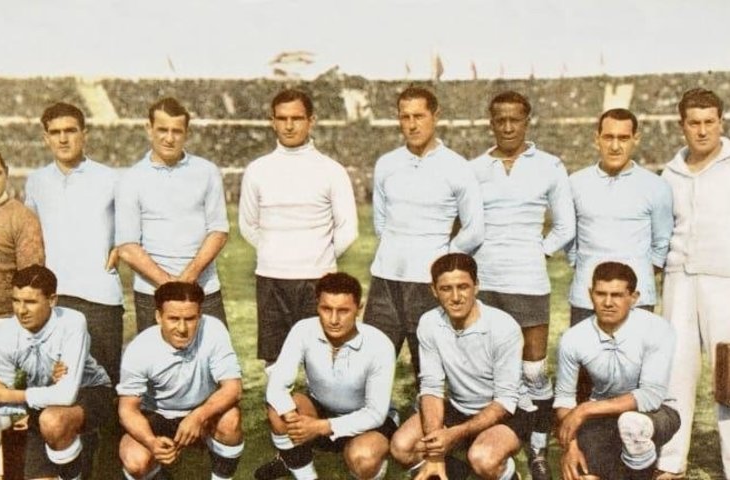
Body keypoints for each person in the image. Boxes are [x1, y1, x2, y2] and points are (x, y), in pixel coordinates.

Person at [469, 90, 575, 479]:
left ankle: (538, 446)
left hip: (528, 281)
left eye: (515, 119)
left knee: (533, 372)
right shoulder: (474, 168)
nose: (508, 127)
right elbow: (465, 223)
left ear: (527, 121)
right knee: (496, 372)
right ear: (491, 122)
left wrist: (537, 251)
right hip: (485, 283)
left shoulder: (549, 165)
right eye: (500, 120)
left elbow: (565, 226)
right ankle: (498, 439)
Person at [364, 86, 484, 378]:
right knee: (370, 363)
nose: (412, 124)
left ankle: (431, 409)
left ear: (435, 116)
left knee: (429, 370)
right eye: (405, 117)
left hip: (427, 284)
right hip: (385, 280)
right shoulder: (387, 164)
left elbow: (474, 229)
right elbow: (381, 223)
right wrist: (396, 252)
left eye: (419, 116)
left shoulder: (456, 167)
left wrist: (442, 261)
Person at [238, 88, 358, 368]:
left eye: (297, 118)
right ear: (273, 121)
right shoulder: (257, 170)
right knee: (275, 362)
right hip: (271, 278)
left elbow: (347, 229)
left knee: (322, 359)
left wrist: (318, 257)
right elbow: (247, 224)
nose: (289, 126)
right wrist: (275, 252)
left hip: (317, 279)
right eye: (282, 118)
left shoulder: (332, 170)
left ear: (311, 121)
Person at [390, 253, 530, 480]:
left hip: (506, 411)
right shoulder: (429, 322)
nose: (456, 297)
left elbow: (505, 400)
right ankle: (453, 470)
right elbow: (431, 387)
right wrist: (435, 452)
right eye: (446, 289)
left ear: (476, 286)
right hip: (459, 407)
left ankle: (507, 473)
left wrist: (455, 434)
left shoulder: (503, 327)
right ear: (434, 290)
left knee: (483, 459)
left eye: (463, 287)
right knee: (402, 447)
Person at [255, 272, 396, 480]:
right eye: (326, 309)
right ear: (317, 305)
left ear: (359, 308)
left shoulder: (380, 344)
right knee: (279, 409)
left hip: (368, 421)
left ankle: (372, 459)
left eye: (343, 311)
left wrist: (320, 427)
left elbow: (375, 414)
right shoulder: (303, 329)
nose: (333, 319)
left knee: (363, 458)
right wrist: (293, 420)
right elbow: (276, 386)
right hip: (320, 410)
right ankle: (305, 474)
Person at [656, 88, 730, 479]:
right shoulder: (670, 173)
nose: (702, 131)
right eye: (694, 123)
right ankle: (671, 461)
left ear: (721, 122)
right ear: (682, 125)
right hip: (679, 280)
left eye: (709, 122)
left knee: (728, 375)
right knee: (676, 370)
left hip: (724, 282)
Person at [25, 102, 125, 384]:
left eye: (70, 130)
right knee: (55, 382)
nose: (63, 138)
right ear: (46, 137)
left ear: (84, 134)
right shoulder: (36, 181)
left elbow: (134, 226)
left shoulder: (110, 178)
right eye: (55, 132)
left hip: (100, 297)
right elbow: (30, 234)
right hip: (54, 298)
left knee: (104, 384)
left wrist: (120, 248)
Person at [554, 261, 680, 480]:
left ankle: (640, 469)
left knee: (631, 425)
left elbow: (650, 396)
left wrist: (585, 409)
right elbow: (564, 399)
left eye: (617, 295)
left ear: (634, 297)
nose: (608, 303)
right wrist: (571, 446)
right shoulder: (573, 338)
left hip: (655, 414)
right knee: (584, 476)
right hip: (603, 417)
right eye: (601, 294)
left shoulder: (657, 328)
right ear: (590, 294)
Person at [0, 264, 112, 480]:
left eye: (30, 302)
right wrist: (17, 406)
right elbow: (1, 402)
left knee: (53, 421)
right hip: (40, 406)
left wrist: (12, 396)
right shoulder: (5, 334)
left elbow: (66, 395)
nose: (21, 310)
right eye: (16, 300)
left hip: (91, 392)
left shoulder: (72, 322)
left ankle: (75, 470)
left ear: (52, 300)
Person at [116, 97, 230, 332]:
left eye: (176, 131)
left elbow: (218, 231)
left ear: (187, 133)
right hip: (153, 294)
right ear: (149, 129)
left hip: (204, 290)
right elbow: (127, 246)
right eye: (162, 130)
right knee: (157, 357)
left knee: (215, 355)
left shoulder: (207, 171)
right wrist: (169, 285)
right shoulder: (131, 178)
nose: (169, 138)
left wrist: (188, 278)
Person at [117, 281, 243, 480]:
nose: (182, 328)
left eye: (190, 319)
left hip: (202, 411)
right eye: (174, 319)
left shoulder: (214, 330)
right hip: (158, 415)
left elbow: (233, 388)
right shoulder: (140, 349)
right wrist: (151, 442)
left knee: (231, 421)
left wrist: (198, 416)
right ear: (158, 317)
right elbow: (127, 409)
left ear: (200, 315)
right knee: (135, 460)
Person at [567, 108, 673, 324]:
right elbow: (570, 240)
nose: (615, 146)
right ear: (597, 139)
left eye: (623, 138)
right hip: (586, 298)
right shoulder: (575, 183)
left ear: (636, 139)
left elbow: (662, 243)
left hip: (636, 299)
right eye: (608, 137)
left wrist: (636, 277)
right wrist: (586, 269)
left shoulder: (656, 186)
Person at [0, 145, 45, 479]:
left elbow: (32, 280)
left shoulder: (21, 217)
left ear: (6, 174)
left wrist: (22, 331)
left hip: (4, 323)